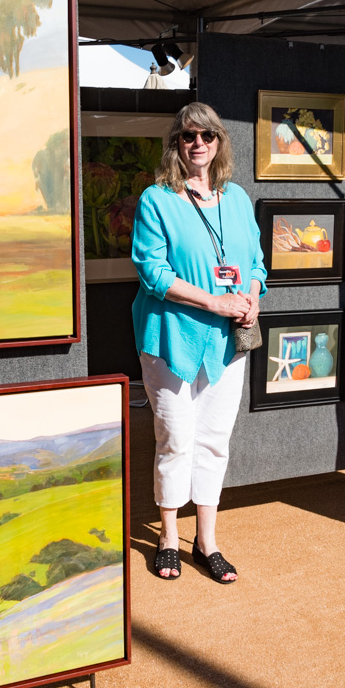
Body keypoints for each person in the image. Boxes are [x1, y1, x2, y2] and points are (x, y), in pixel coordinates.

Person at [131, 102, 267, 582]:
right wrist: (216, 302)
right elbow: (153, 273)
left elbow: (255, 264)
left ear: (219, 142)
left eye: (207, 136)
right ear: (176, 143)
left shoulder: (236, 199)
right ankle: (168, 536)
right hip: (172, 337)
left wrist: (249, 297)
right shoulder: (157, 199)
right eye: (188, 136)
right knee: (175, 439)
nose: (198, 144)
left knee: (213, 441)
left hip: (226, 344)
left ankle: (205, 540)